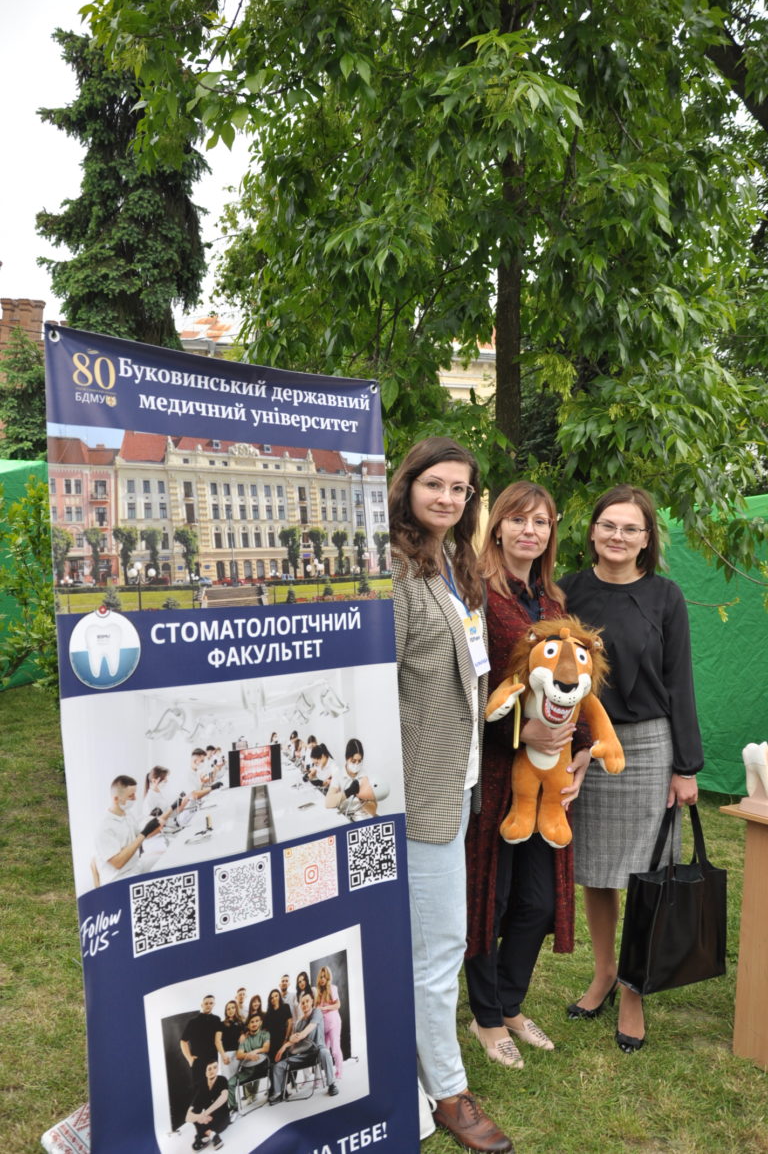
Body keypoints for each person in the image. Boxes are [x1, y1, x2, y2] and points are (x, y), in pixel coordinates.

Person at [389, 436, 513, 1153]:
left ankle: (412, 1072)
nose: (447, 497)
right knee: (440, 948)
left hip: (459, 778)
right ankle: (447, 1091)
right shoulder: (399, 570)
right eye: (435, 484)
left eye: (460, 489)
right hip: (418, 788)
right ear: (407, 485)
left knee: (425, 943)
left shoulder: (454, 565)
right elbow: (381, 684)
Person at [560, 484, 702, 1054]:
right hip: (585, 745)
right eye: (609, 525)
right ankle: (602, 974)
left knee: (645, 877)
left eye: (631, 528)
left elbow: (680, 682)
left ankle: (632, 990)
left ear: (646, 540)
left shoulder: (665, 597)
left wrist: (686, 767)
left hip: (647, 747)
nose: (617, 536)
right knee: (596, 870)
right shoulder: (566, 591)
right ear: (593, 530)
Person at [464, 482, 593, 1069]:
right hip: (496, 774)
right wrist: (520, 734)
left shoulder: (555, 605)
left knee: (537, 902)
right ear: (497, 526)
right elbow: (469, 691)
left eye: (541, 522)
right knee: (489, 899)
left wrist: (582, 751)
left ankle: (510, 1003)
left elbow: (577, 687)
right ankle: (487, 1018)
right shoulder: (477, 595)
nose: (530, 531)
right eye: (518, 519)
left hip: (549, 780)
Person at [94, 775, 165, 884]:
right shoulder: (105, 828)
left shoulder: (127, 814)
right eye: (131, 796)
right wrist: (145, 832)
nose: (135, 798)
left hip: (135, 867)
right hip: (119, 879)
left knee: (165, 860)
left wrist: (156, 827)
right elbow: (118, 863)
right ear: (116, 799)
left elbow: (139, 836)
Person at [269, 991, 338, 1103]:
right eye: (302, 1002)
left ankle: (332, 1085)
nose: (305, 1004)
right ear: (300, 1005)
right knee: (278, 1066)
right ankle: (279, 1093)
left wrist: (295, 1037)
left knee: (325, 1052)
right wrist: (283, 1047)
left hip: (318, 1050)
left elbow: (306, 1031)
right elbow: (293, 1042)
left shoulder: (317, 1012)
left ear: (312, 1002)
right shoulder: (299, 1023)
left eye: (307, 1001)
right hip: (305, 1055)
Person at [325, 738, 388, 819]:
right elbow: (328, 803)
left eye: (359, 761)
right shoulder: (338, 775)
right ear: (347, 758)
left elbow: (373, 811)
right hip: (344, 816)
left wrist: (361, 796)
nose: (356, 764)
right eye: (353, 761)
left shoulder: (366, 777)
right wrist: (348, 792)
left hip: (363, 817)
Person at [227, 1012, 270, 1112]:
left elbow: (266, 1048)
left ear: (260, 1022)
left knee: (275, 1068)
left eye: (256, 1021)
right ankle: (233, 1107)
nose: (254, 1023)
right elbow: (239, 1055)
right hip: (248, 1071)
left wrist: (255, 1051)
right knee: (230, 1083)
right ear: (248, 1025)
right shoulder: (245, 1039)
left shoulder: (265, 1034)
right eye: (252, 1022)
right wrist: (248, 1055)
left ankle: (272, 1093)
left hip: (262, 1068)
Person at [186, 1058, 229, 1151]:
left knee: (200, 1121)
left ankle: (202, 1136)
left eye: (215, 1067)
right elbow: (188, 1117)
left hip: (222, 1118)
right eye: (209, 1069)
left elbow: (224, 1097)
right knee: (195, 1114)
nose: (212, 1071)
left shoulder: (222, 1080)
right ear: (205, 1072)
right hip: (207, 1119)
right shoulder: (201, 1086)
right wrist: (199, 1117)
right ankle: (212, 1135)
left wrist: (205, 1113)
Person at [181, 996, 222, 1086]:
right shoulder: (193, 1022)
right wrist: (189, 1058)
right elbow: (183, 1041)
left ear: (214, 1004)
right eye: (206, 1003)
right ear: (202, 1005)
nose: (208, 1005)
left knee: (213, 1086)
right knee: (199, 1087)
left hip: (213, 1060)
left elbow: (219, 1040)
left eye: (211, 1003)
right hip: (198, 1061)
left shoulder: (217, 1020)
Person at [315, 965, 343, 1080]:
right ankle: (329, 1075)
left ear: (328, 978)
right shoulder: (318, 992)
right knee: (324, 1052)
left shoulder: (332, 988)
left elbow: (338, 1005)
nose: (322, 979)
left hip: (333, 1023)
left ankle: (339, 1072)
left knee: (335, 1050)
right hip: (323, 1026)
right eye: (321, 977)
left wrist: (325, 1008)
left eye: (324, 977)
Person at [262, 988, 293, 1064]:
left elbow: (290, 1022)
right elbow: (264, 1030)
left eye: (276, 996)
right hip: (272, 1042)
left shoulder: (286, 1007)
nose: (274, 999)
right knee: (273, 1063)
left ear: (279, 996)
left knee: (284, 1062)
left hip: (283, 1039)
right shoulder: (268, 1014)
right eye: (272, 997)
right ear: (270, 1000)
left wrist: (286, 1039)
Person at [216, 1000, 244, 1080]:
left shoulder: (241, 1023)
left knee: (237, 1081)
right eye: (228, 1009)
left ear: (236, 1009)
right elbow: (217, 1041)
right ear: (226, 1011)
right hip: (227, 1054)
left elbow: (247, 1033)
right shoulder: (221, 1024)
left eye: (233, 1008)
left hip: (238, 1054)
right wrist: (223, 1055)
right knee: (227, 1080)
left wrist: (244, 1034)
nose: (231, 1010)